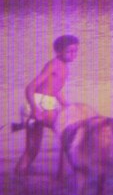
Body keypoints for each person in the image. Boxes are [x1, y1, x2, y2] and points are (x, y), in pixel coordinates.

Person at [14, 34, 79, 175]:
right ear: (59, 52)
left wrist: (67, 106)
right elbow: (30, 87)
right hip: (38, 103)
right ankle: (63, 176)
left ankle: (18, 177)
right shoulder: (54, 64)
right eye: (70, 51)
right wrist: (35, 109)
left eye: (76, 51)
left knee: (32, 150)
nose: (73, 54)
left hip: (45, 103)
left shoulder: (64, 67)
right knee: (69, 132)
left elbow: (55, 90)